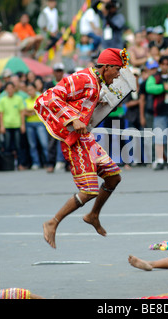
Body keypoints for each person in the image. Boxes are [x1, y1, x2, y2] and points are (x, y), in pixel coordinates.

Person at [36, 48, 126, 249]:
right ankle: (53, 222)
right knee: (88, 190)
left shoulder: (96, 82)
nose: (118, 74)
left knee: (113, 177)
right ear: (106, 67)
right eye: (117, 70)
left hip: (86, 138)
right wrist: (73, 118)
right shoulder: (83, 77)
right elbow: (49, 97)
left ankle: (93, 215)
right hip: (73, 140)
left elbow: (82, 102)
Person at [145, 55, 168, 170]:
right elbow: (149, 88)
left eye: (167, 64)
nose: (165, 66)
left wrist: (166, 88)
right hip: (159, 111)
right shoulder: (154, 77)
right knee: (159, 135)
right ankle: (159, 160)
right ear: (160, 65)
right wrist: (164, 87)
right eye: (163, 64)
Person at [0, 82, 26, 170]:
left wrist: (22, 125)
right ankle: (9, 165)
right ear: (5, 90)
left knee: (18, 146)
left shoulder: (18, 99)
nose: (10, 90)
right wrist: (1, 126)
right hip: (7, 125)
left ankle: (20, 164)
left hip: (17, 125)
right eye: (8, 88)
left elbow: (22, 113)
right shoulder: (2, 100)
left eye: (11, 88)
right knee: (7, 145)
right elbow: (0, 114)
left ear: (14, 89)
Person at [43, 63, 66, 173]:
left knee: (67, 140)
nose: (58, 73)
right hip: (52, 117)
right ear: (53, 72)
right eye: (57, 71)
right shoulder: (48, 84)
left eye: (60, 71)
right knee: (51, 141)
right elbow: (45, 99)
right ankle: (50, 163)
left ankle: (67, 164)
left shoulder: (66, 82)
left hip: (65, 116)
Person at [24, 83, 48, 170]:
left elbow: (40, 109)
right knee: (32, 145)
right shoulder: (26, 100)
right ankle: (36, 162)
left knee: (44, 143)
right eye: (28, 90)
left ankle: (48, 162)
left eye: (31, 89)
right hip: (29, 123)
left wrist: (31, 111)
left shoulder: (40, 97)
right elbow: (24, 112)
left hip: (40, 123)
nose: (30, 92)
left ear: (35, 89)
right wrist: (32, 111)